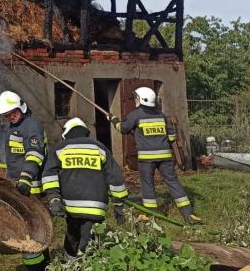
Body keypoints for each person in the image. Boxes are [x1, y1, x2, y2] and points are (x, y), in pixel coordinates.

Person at [111, 87, 200, 224]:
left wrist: (113, 120)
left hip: (146, 159)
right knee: (173, 182)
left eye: (136, 97)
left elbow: (123, 128)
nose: (135, 99)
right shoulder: (162, 115)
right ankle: (188, 214)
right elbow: (171, 137)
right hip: (165, 158)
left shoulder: (136, 115)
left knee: (148, 184)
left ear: (141, 99)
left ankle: (149, 215)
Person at [41, 117, 127, 259]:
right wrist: (119, 204)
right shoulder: (100, 147)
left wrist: (54, 198)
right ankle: (83, 269)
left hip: (71, 207)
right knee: (88, 240)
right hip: (95, 208)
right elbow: (116, 177)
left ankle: (73, 269)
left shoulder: (60, 149)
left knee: (72, 237)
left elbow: (49, 174)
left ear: (66, 134)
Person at [0, 90, 49, 271]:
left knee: (29, 230)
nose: (10, 116)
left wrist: (25, 179)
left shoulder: (31, 125)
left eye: (13, 112)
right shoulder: (16, 127)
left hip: (30, 187)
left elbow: (35, 153)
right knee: (29, 229)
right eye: (7, 114)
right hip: (19, 185)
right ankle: (43, 267)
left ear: (22, 107)